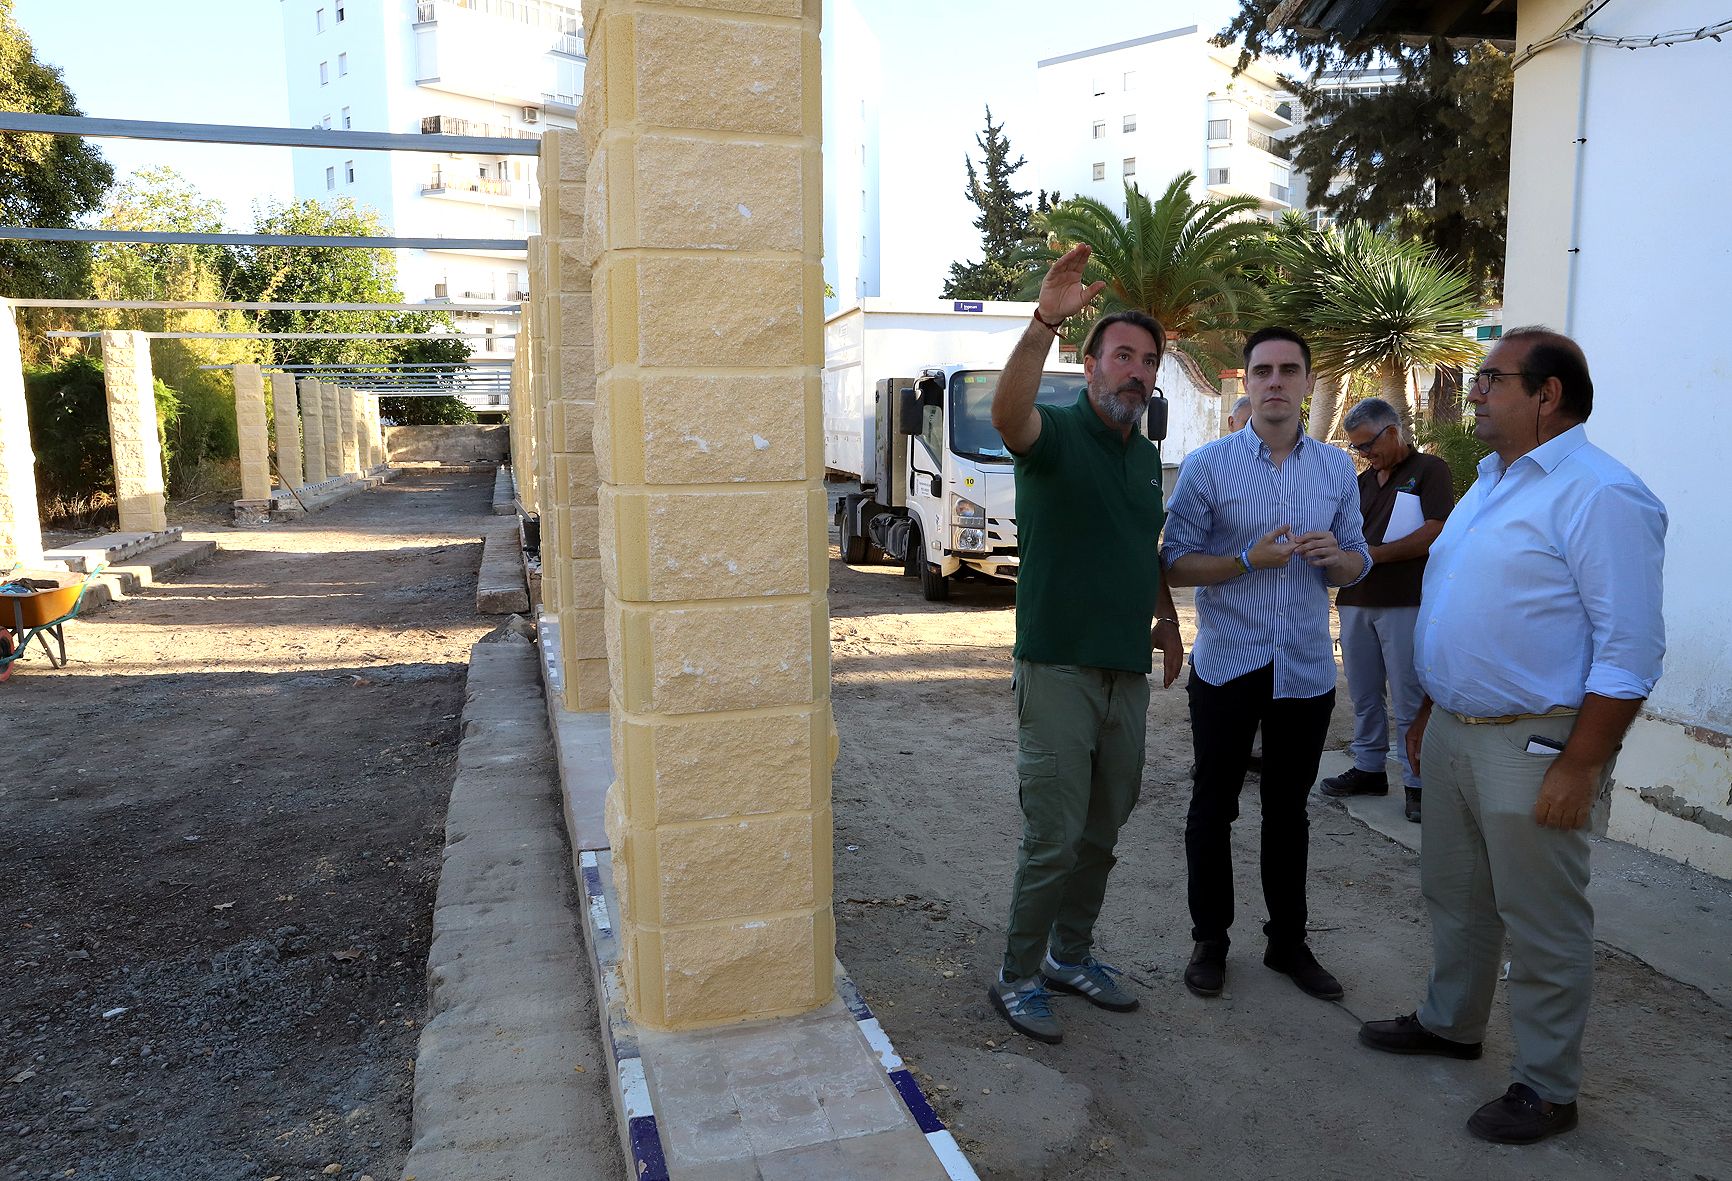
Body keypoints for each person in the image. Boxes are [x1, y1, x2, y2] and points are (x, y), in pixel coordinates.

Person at [1358, 328, 1666, 1145]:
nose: (1475, 391)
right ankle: (1451, 1021)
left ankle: (1547, 1085)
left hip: (1536, 745)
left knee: (1541, 920)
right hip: (1457, 731)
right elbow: (1460, 604)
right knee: (1455, 892)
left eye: (1492, 378)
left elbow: (1631, 649)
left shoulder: (1601, 493)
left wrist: (1582, 763)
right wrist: (1430, 710)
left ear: (1547, 394)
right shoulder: (1492, 481)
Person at [985, 243, 1184, 1045]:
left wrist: (1166, 618)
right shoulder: (1057, 435)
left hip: (1123, 672)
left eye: (1148, 361)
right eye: (1122, 356)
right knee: (1055, 838)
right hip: (1058, 666)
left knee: (1102, 833)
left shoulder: (1146, 460)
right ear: (1092, 365)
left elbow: (1143, 546)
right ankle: (1017, 974)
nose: (1136, 371)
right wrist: (1042, 321)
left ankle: (1069, 955)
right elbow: (1008, 416)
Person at [1160, 326, 1370, 1002]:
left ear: (1307, 382)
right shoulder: (1208, 465)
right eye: (1263, 370)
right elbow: (1175, 561)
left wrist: (1337, 559)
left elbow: (1358, 559)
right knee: (1212, 806)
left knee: (1288, 811)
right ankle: (1210, 940)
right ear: (1246, 382)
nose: (1275, 381)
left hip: (1304, 670)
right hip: (1229, 664)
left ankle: (1287, 942)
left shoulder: (1336, 469)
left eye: (1288, 370)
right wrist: (1248, 559)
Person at [1320, 398, 1454, 822]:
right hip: (1356, 599)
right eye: (1357, 448)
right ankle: (1369, 767)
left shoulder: (1429, 470)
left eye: (1368, 445)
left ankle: (1419, 784)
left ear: (1392, 432)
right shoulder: (1361, 483)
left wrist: (1374, 554)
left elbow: (1436, 531)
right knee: (1363, 693)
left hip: (1404, 600)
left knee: (1409, 695)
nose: (1364, 454)